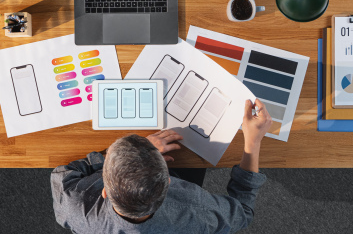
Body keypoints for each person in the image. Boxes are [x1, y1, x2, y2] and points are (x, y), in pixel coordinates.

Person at [51, 99, 272, 233]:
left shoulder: (74, 206)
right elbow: (243, 212)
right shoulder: (195, 212)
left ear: (105, 191)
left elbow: (64, 174)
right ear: (168, 182)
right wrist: (253, 141)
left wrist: (106, 157)